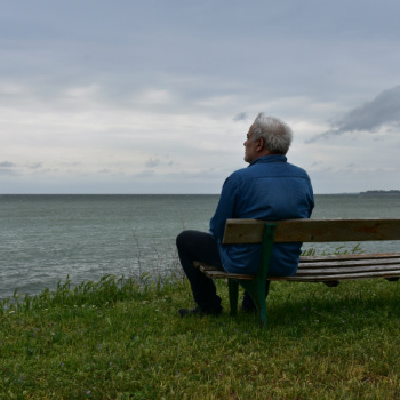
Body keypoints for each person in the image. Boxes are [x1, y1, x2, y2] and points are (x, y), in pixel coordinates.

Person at [176, 113, 314, 316]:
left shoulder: (239, 179)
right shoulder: (302, 177)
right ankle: (251, 305)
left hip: (245, 263)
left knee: (185, 240)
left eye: (247, 137)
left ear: (259, 144)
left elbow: (219, 230)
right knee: (269, 237)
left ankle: (209, 306)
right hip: (285, 263)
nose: (244, 142)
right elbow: (304, 218)